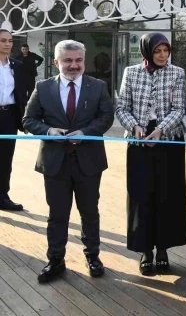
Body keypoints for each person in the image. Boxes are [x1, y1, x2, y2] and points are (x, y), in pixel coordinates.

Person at [23, 40, 114, 283]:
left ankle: (93, 256)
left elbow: (106, 117)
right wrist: (48, 131)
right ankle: (55, 259)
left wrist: (86, 133)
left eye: (78, 60)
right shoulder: (42, 88)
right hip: (55, 162)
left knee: (89, 212)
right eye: (68, 60)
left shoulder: (98, 87)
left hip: (89, 161)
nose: (74, 65)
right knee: (57, 214)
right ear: (56, 62)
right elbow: (28, 120)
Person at [115, 33, 186, 275]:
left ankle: (164, 248)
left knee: (168, 196)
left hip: (167, 141)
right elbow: (122, 107)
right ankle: (146, 249)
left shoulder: (176, 73)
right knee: (141, 196)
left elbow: (179, 109)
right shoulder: (131, 72)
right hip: (138, 142)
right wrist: (135, 127)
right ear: (147, 51)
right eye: (158, 51)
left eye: (166, 51)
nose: (163, 55)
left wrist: (160, 130)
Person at [0, 30, 29, 211]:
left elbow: (21, 94)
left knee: (5, 159)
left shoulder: (16, 66)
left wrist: (23, 118)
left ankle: (3, 196)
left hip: (8, 116)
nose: (7, 44)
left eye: (10, 41)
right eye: (3, 40)